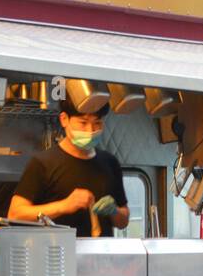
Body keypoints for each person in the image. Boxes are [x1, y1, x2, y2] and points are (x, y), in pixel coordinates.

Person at [8, 92, 129, 236]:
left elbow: (123, 222)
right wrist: (64, 206)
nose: (90, 131)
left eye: (97, 123)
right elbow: (15, 214)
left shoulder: (110, 163)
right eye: (83, 123)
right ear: (64, 119)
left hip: (100, 255)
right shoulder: (43, 163)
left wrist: (114, 211)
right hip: (57, 254)